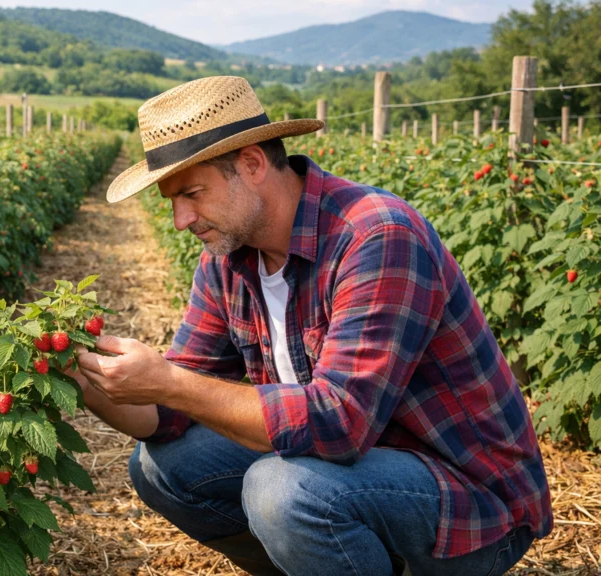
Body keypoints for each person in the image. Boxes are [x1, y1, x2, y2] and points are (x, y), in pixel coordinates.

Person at [65, 76, 553, 576]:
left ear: (252, 163)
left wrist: (168, 381)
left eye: (192, 193)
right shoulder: (228, 261)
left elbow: (338, 423)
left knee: (281, 491)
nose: (180, 219)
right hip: (349, 474)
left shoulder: (376, 236)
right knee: (161, 468)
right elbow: (169, 414)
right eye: (172, 200)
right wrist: (87, 381)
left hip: (466, 503)